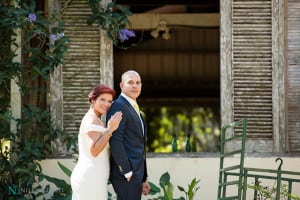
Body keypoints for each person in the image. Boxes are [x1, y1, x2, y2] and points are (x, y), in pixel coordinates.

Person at [70, 84, 122, 200]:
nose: (106, 104)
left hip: (96, 177)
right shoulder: (91, 119)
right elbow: (94, 151)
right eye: (102, 99)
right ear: (93, 100)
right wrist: (109, 130)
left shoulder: (98, 120)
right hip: (90, 177)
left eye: (109, 101)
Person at [107, 70, 151, 200]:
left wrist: (143, 178)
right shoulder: (119, 106)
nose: (135, 86)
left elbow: (139, 145)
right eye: (130, 82)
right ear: (121, 85)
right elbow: (115, 140)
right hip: (126, 175)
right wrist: (126, 171)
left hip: (136, 175)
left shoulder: (134, 107)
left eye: (138, 83)